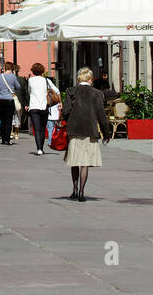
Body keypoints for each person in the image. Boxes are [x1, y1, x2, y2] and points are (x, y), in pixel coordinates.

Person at [61, 67, 112, 201]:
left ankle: (74, 189)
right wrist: (106, 134)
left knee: (74, 161)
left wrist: (69, 119)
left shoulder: (71, 91)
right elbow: (101, 116)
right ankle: (82, 192)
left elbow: (65, 112)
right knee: (85, 163)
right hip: (89, 130)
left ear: (78, 79)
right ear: (90, 79)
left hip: (74, 130)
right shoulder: (97, 93)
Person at [27, 62, 54, 155]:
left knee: (37, 129)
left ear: (33, 71)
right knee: (43, 128)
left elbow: (29, 92)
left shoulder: (30, 80)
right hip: (44, 107)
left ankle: (38, 149)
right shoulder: (46, 80)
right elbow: (56, 90)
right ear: (42, 71)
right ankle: (41, 148)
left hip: (34, 107)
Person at [0, 63, 21, 146]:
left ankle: (3, 138)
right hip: (9, 100)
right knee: (9, 120)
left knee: (2, 120)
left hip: (0, 100)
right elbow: (18, 86)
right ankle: (7, 140)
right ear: (12, 68)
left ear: (4, 68)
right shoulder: (13, 77)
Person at [46, 72, 62, 145]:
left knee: (50, 129)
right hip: (56, 116)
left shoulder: (47, 97)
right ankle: (58, 140)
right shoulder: (56, 97)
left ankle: (50, 141)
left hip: (50, 115)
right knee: (57, 128)